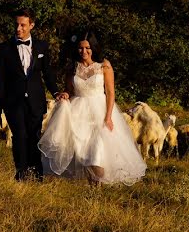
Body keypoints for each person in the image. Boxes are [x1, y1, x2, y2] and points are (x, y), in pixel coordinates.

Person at [38, 30, 146, 185]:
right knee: (83, 152)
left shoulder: (104, 66)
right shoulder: (73, 68)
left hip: (99, 110)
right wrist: (65, 95)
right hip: (78, 112)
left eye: (87, 48)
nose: (84, 51)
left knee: (97, 150)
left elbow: (110, 93)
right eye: (80, 48)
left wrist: (108, 116)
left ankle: (98, 187)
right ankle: (92, 187)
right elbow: (69, 90)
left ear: (93, 48)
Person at [0, 8, 66, 182]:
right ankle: (21, 174)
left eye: (23, 25)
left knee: (34, 136)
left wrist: (55, 92)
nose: (18, 29)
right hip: (13, 102)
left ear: (31, 25)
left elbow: (47, 73)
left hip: (35, 101)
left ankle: (37, 174)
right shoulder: (4, 49)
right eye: (16, 24)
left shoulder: (42, 46)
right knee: (19, 136)